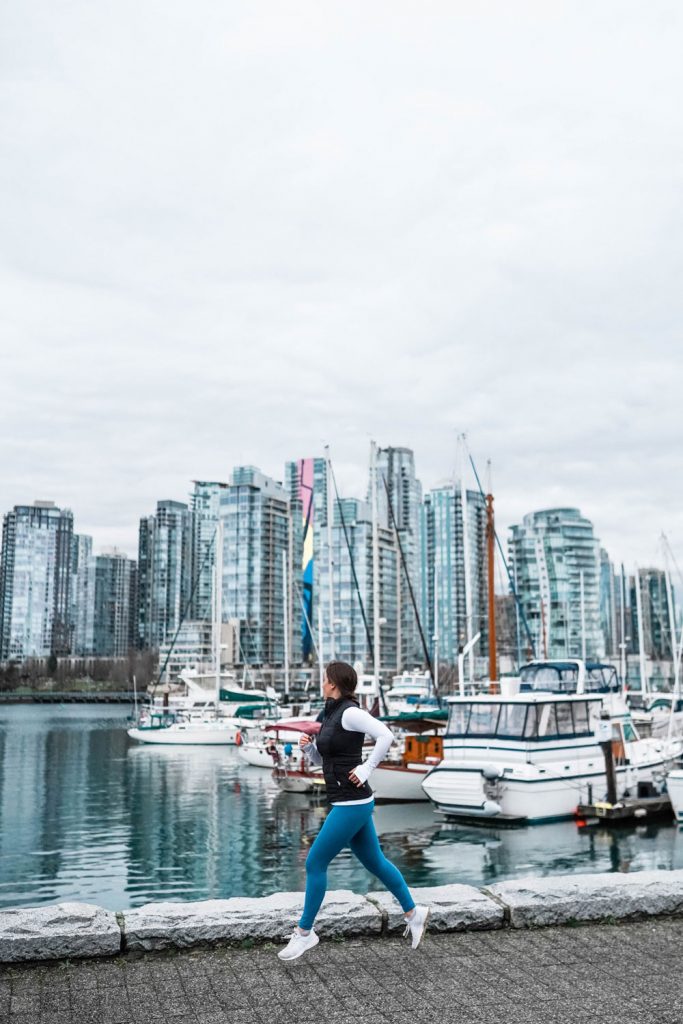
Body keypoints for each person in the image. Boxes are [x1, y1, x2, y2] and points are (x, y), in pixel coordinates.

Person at [277, 660, 429, 961]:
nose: (321, 683)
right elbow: (326, 762)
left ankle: (305, 933)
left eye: (323, 679)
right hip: (347, 799)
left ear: (333, 683)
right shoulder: (330, 714)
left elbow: (386, 736)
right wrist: (310, 750)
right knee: (375, 862)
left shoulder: (351, 712)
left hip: (352, 802)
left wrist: (367, 768)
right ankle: (414, 913)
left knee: (315, 863)